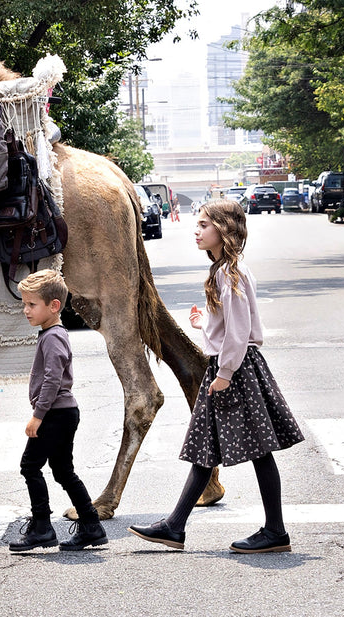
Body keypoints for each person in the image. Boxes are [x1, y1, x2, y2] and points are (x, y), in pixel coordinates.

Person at [129, 199, 304, 553]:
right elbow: (232, 326)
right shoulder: (223, 270)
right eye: (197, 224)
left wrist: (223, 373)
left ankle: (274, 531)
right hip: (233, 366)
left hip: (235, 370)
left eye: (205, 224)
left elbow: (240, 332)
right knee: (206, 448)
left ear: (224, 230)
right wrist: (205, 324)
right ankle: (175, 526)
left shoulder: (230, 273)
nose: (197, 230)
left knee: (257, 450)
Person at [8, 269, 108, 552]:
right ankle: (91, 526)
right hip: (62, 413)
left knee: (30, 466)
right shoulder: (51, 333)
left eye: (31, 305)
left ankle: (42, 527)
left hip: (54, 414)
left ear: (54, 306)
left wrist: (38, 416)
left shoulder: (52, 337)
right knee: (63, 470)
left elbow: (53, 378)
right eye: (24, 304)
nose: (25, 310)